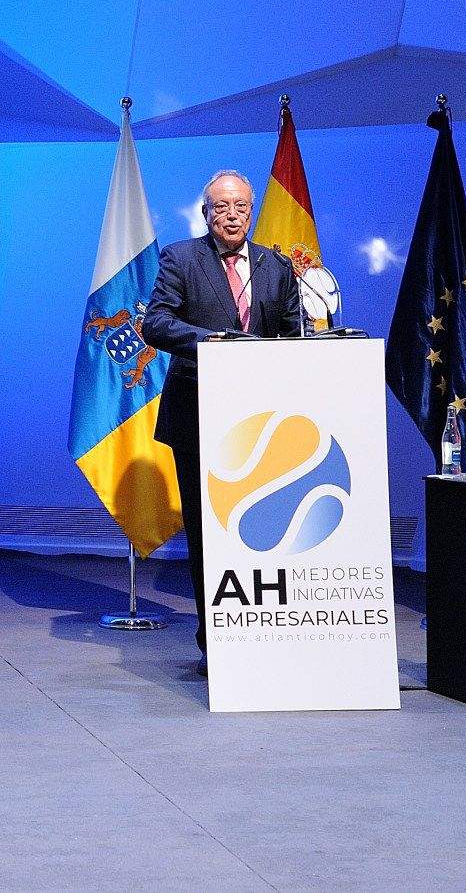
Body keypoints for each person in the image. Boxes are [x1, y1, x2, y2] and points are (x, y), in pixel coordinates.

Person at [140, 169, 306, 668]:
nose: (231, 215)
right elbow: (156, 322)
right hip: (199, 415)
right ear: (206, 211)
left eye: (240, 207)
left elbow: (292, 332)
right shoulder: (181, 258)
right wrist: (211, 343)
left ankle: (264, 631)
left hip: (266, 425)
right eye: (221, 206)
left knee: (267, 526)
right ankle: (215, 638)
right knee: (210, 530)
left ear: (251, 211)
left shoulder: (276, 266)